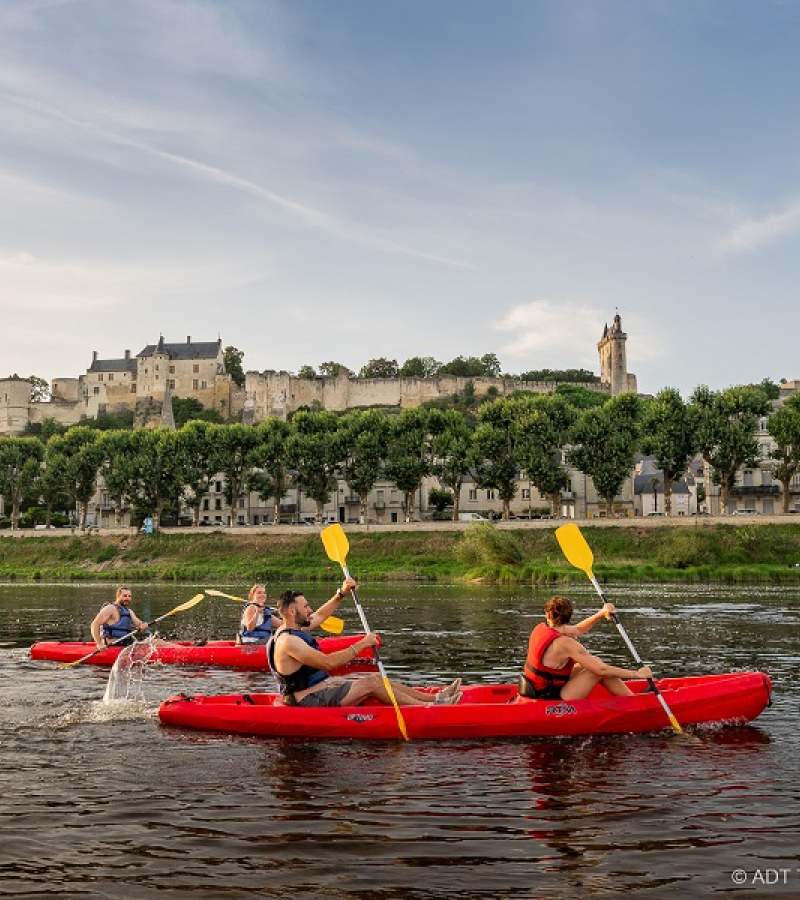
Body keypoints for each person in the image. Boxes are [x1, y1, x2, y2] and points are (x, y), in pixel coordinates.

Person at [269, 580, 463, 708]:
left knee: (378, 678)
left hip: (320, 692)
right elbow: (327, 663)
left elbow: (319, 615)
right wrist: (361, 644)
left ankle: (437, 697)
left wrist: (341, 594)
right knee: (371, 683)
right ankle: (428, 709)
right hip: (307, 702)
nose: (310, 609)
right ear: (292, 612)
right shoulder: (289, 641)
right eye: (305, 606)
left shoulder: (295, 628)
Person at [520, 594, 652, 700]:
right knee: (596, 669)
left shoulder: (542, 628)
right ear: (569, 615)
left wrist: (601, 613)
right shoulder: (565, 643)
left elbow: (577, 629)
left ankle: (629, 698)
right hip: (549, 696)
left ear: (548, 615)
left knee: (593, 662)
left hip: (538, 687)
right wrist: (637, 674)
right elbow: (602, 670)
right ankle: (633, 702)